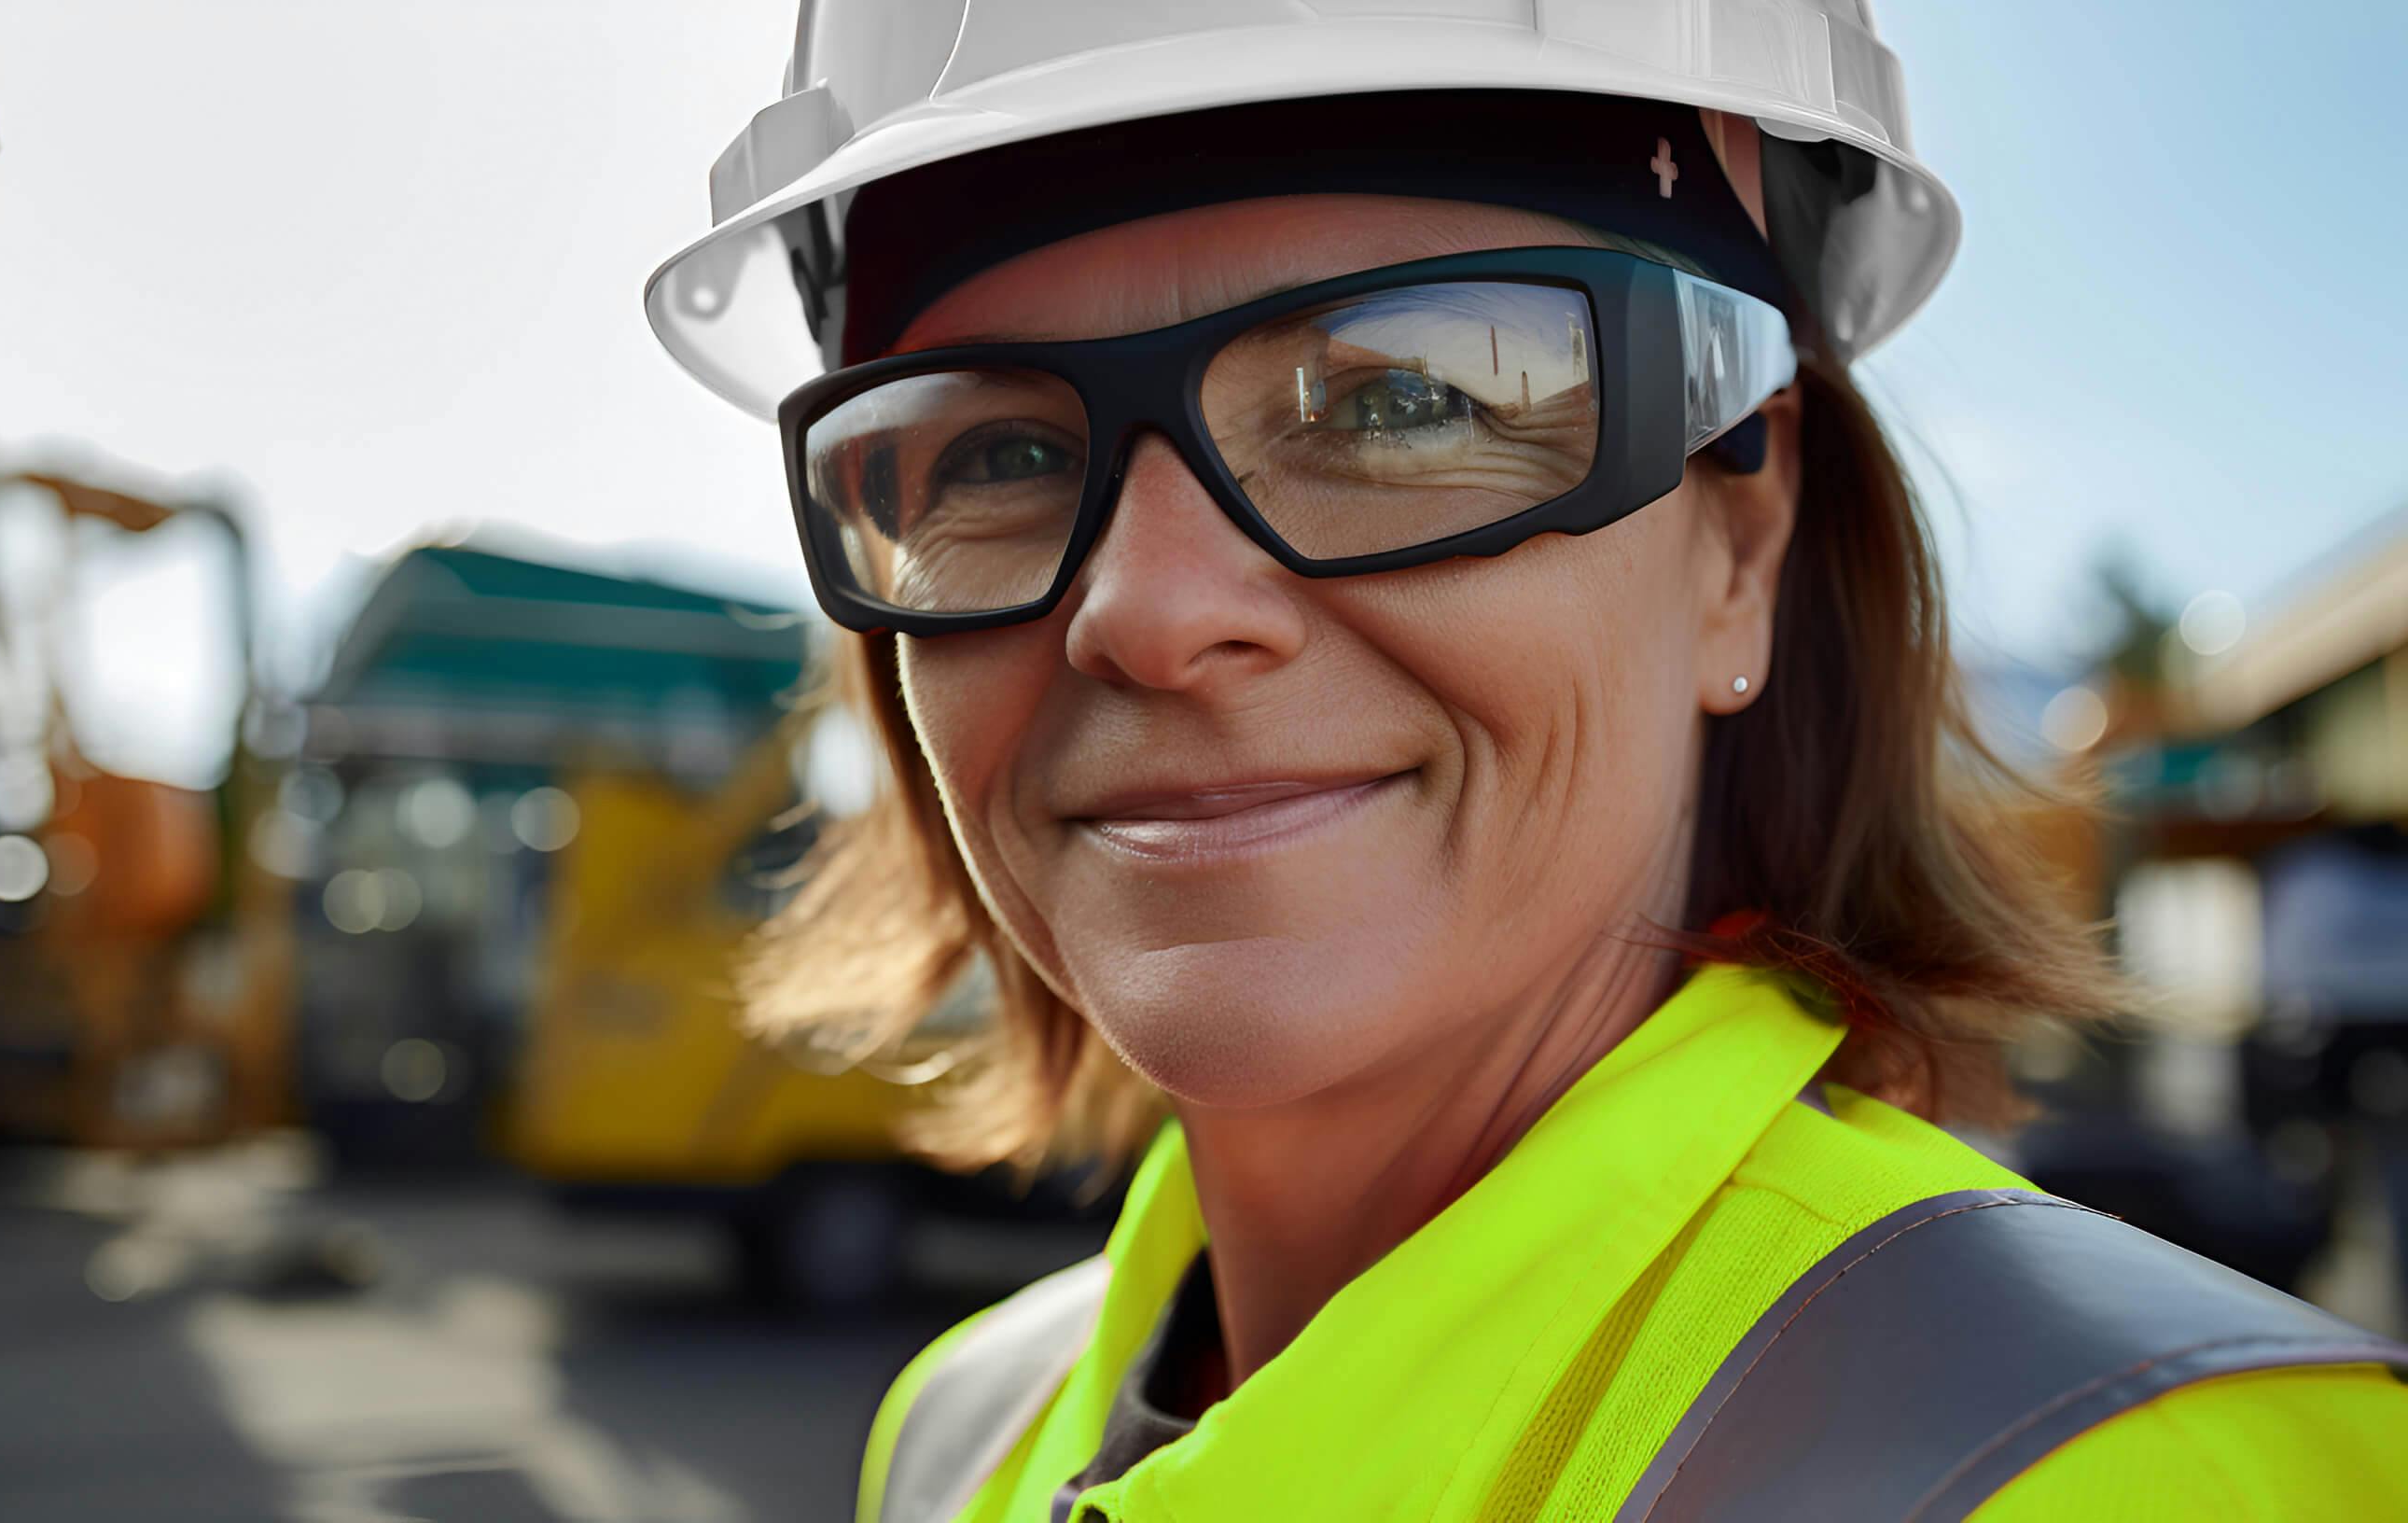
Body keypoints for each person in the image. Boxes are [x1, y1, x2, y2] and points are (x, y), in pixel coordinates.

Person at [643, 5, 2408, 1519]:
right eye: (995, 452)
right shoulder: (969, 1432)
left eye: (1407, 398)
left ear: (1740, 542)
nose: (1152, 608)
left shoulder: (2112, 1467)